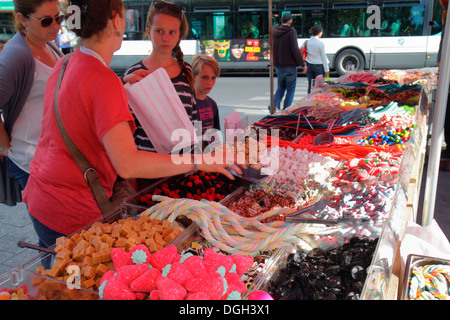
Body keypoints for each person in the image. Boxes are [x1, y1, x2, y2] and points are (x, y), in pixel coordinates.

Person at [23, 0, 242, 249]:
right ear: (116, 21)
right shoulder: (103, 80)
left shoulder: (65, 63)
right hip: (73, 211)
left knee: (49, 275)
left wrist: (120, 86)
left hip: (41, 198)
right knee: (72, 284)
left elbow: (80, 108)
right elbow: (128, 164)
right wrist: (200, 161)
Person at [0, 0, 64, 206]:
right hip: (31, 161)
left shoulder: (49, 44)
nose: (56, 25)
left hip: (52, 158)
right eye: (46, 21)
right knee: (52, 235)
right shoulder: (16, 55)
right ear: (22, 19)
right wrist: (6, 146)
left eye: (58, 18)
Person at [122, 1, 197, 154]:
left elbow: (193, 118)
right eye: (159, 31)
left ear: (179, 35)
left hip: (182, 165)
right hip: (147, 167)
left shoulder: (186, 70)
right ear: (149, 32)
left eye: (172, 32)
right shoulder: (134, 73)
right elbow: (127, 126)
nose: (165, 38)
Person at [272, 13, 305, 110]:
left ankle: (274, 105)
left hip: (278, 65)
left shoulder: (274, 30)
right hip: (290, 65)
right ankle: (286, 110)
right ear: (291, 22)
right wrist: (302, 64)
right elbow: (295, 49)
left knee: (281, 86)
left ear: (281, 20)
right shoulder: (291, 31)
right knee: (290, 89)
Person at [191, 54, 221, 150]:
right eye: (204, 77)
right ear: (193, 76)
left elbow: (216, 134)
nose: (209, 82)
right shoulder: (187, 104)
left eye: (213, 78)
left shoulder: (212, 104)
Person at [303, 25, 329, 94]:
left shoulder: (307, 42)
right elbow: (323, 57)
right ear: (320, 33)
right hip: (319, 67)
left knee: (310, 85)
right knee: (319, 86)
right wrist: (327, 71)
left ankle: (309, 100)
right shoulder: (320, 43)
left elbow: (300, 50)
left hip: (309, 66)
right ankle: (317, 101)